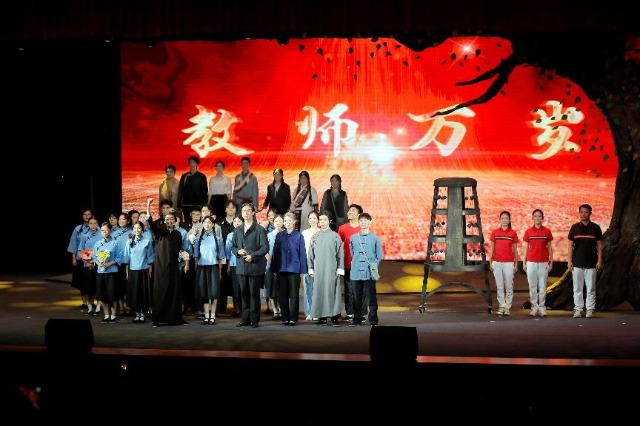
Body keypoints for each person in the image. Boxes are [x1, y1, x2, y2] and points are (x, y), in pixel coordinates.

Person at [144, 198, 190, 327]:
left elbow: (180, 250)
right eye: (167, 219)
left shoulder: (178, 234)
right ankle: (158, 319)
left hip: (174, 267)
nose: (169, 221)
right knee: (161, 291)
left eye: (171, 219)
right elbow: (150, 221)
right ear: (164, 221)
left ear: (175, 221)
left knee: (174, 292)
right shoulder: (160, 232)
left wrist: (184, 258)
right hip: (161, 267)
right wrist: (148, 205)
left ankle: (175, 318)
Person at [231, 203, 269, 328]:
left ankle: (254, 319)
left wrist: (253, 256)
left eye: (248, 211)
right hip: (241, 266)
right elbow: (233, 247)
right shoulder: (237, 230)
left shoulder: (260, 230)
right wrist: (238, 251)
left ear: (253, 213)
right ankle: (245, 318)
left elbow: (265, 248)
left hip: (254, 266)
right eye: (243, 211)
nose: (246, 213)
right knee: (243, 294)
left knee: (254, 294)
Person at [308, 211, 344, 326]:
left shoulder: (335, 236)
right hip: (318, 269)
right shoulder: (315, 236)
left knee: (332, 291)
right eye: (321, 220)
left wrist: (339, 269)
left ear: (330, 221)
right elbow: (310, 255)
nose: (322, 222)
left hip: (331, 269)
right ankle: (321, 317)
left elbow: (340, 254)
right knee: (319, 291)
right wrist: (311, 268)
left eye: (325, 220)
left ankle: (334, 317)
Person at [271, 212, 308, 326]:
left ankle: (293, 318)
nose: (287, 223)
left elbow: (302, 253)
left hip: (294, 269)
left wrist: (303, 270)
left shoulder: (299, 236)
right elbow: (275, 253)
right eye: (285, 221)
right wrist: (274, 268)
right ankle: (285, 317)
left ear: (294, 222)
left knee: (294, 294)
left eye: (289, 221)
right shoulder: (279, 236)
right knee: (282, 294)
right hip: (281, 268)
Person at [567, 203, 603, 318]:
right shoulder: (574, 228)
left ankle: (590, 309)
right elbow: (570, 245)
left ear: (590, 213)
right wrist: (569, 261)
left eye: (586, 212)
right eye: (581, 212)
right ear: (579, 213)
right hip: (577, 262)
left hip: (591, 263)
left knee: (591, 288)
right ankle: (578, 309)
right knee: (577, 288)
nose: (583, 214)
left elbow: (599, 246)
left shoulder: (596, 228)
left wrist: (599, 261)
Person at [349, 212, 383, 326]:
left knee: (371, 297)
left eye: (366, 220)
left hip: (369, 272)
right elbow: (352, 253)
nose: (363, 222)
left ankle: (373, 319)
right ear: (359, 222)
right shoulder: (353, 238)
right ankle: (357, 318)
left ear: (370, 222)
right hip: (356, 271)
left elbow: (379, 255)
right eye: (361, 220)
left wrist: (373, 266)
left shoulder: (375, 238)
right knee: (356, 297)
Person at [193, 215, 227, 325]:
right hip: (202, 267)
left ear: (213, 224)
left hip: (213, 267)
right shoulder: (199, 238)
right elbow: (196, 256)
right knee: (203, 293)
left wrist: (220, 271)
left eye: (209, 222)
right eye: (205, 222)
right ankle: (206, 316)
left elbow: (221, 258)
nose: (207, 224)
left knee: (214, 292)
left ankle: (213, 316)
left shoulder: (218, 239)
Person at [522, 209, 554, 317]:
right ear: (532, 218)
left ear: (542, 218)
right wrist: (524, 262)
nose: (537, 218)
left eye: (539, 216)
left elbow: (550, 248)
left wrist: (551, 262)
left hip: (544, 262)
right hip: (531, 262)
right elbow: (526, 248)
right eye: (535, 216)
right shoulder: (528, 232)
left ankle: (542, 307)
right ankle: (534, 307)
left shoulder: (547, 231)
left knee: (542, 286)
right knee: (532, 286)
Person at [122, 221, 154, 323]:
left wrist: (150, 270)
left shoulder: (147, 241)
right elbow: (126, 258)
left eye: (139, 228)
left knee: (143, 293)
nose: (137, 230)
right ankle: (137, 314)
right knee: (134, 293)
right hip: (133, 270)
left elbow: (150, 257)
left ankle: (143, 314)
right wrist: (127, 272)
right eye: (135, 228)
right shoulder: (129, 242)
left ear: (142, 230)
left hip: (144, 270)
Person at [489, 211, 519, 316]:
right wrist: (490, 261)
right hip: (497, 262)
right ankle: (501, 306)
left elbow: (515, 250)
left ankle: (507, 308)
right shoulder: (495, 232)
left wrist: (516, 264)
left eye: (506, 218)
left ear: (509, 220)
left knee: (509, 286)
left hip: (509, 263)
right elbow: (492, 248)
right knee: (500, 286)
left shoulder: (513, 233)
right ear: (499, 220)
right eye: (502, 218)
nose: (504, 220)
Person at [92, 221, 122, 324]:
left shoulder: (115, 243)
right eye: (102, 230)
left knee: (112, 294)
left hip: (112, 272)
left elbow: (119, 257)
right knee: (102, 295)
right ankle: (106, 315)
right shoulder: (97, 244)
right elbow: (94, 257)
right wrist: (99, 263)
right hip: (101, 272)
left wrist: (110, 263)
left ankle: (113, 315)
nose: (104, 232)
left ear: (110, 230)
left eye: (106, 230)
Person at [337, 203, 363, 321]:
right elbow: (339, 245)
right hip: (348, 263)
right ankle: (349, 313)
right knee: (348, 289)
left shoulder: (362, 228)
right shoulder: (343, 228)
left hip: (360, 264)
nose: (350, 212)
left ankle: (359, 313)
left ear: (359, 214)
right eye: (349, 210)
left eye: (353, 210)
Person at [67, 207, 93, 309]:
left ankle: (91, 301)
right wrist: (73, 258)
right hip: (80, 258)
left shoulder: (96, 228)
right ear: (82, 216)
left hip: (92, 258)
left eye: (89, 214)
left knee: (91, 281)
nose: (87, 216)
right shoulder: (78, 229)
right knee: (81, 281)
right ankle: (84, 302)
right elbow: (73, 244)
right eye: (85, 214)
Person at [218, 200, 239, 316]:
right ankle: (222, 307)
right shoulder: (219, 224)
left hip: (236, 259)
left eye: (233, 207)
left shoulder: (240, 222)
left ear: (236, 209)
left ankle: (237, 308)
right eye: (228, 207)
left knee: (236, 284)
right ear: (225, 209)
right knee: (223, 282)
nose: (230, 209)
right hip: (223, 258)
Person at [301, 211, 320, 320]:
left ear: (318, 220)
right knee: (307, 287)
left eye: (314, 218)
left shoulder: (321, 232)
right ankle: (309, 312)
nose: (312, 220)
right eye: (310, 218)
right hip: (307, 261)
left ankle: (317, 311)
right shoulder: (304, 233)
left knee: (317, 287)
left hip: (319, 262)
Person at [177, 156, 208, 222]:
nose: (192, 164)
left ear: (197, 164)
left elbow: (205, 191)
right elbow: (180, 190)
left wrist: (204, 205)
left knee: (198, 222)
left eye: (193, 162)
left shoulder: (202, 176)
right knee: (187, 222)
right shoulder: (184, 176)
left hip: (198, 205)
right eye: (190, 162)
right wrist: (179, 205)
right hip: (186, 205)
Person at [225, 215, 244, 318]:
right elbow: (228, 250)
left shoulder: (246, 233)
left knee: (244, 288)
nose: (237, 223)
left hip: (245, 264)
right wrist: (228, 264)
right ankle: (237, 310)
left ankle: (245, 309)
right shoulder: (230, 235)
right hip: (233, 264)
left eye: (239, 221)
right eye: (235, 221)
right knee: (235, 288)